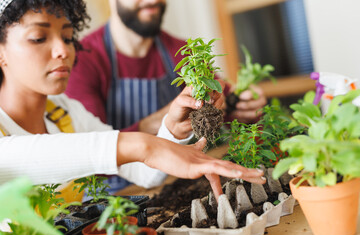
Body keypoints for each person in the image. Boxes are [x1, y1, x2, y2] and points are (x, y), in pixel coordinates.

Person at [0, 0, 265, 201]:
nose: (63, 51)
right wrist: (145, 145)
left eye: (68, 38)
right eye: (38, 38)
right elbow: (17, 157)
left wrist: (172, 130)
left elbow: (142, 173)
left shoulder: (66, 113)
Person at [66, 0, 267, 135]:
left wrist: (245, 106)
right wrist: (167, 118)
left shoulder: (185, 51)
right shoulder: (82, 60)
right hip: (121, 192)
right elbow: (94, 150)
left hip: (183, 177)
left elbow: (225, 115)